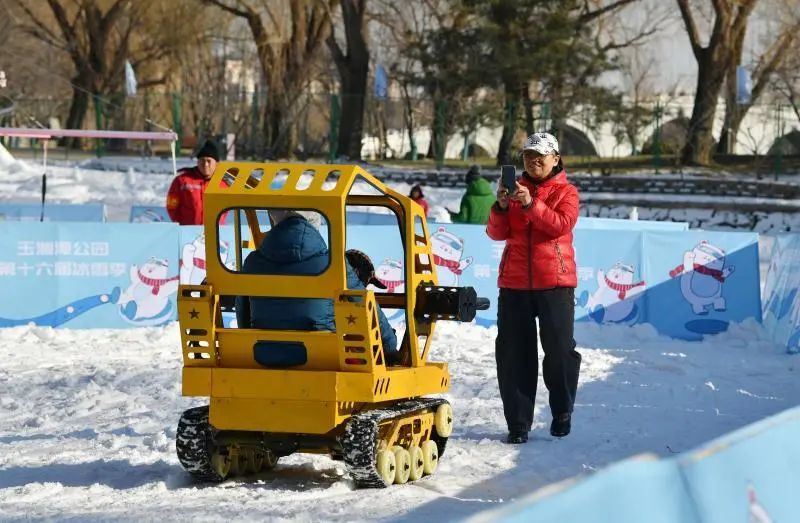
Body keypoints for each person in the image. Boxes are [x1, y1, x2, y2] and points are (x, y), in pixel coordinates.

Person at [485, 132, 581, 444]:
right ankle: (518, 423)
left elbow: (559, 225)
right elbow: (495, 234)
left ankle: (562, 411)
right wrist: (500, 207)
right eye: (528, 155)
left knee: (560, 353)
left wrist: (530, 203)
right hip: (513, 284)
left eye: (540, 155)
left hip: (555, 283)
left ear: (556, 158)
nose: (533, 161)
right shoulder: (514, 190)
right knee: (513, 355)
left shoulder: (567, 192)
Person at [234, 209, 399, 365]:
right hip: (321, 358)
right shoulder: (334, 264)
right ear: (314, 221)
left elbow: (243, 307)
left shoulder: (252, 262)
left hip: (263, 353)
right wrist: (389, 346)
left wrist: (249, 340)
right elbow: (364, 305)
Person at [166, 139, 220, 225]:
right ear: (197, 162)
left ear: (217, 163)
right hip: (188, 232)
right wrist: (181, 225)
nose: (205, 164)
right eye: (202, 160)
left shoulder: (224, 182)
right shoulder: (181, 180)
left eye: (209, 161)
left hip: (216, 233)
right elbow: (171, 206)